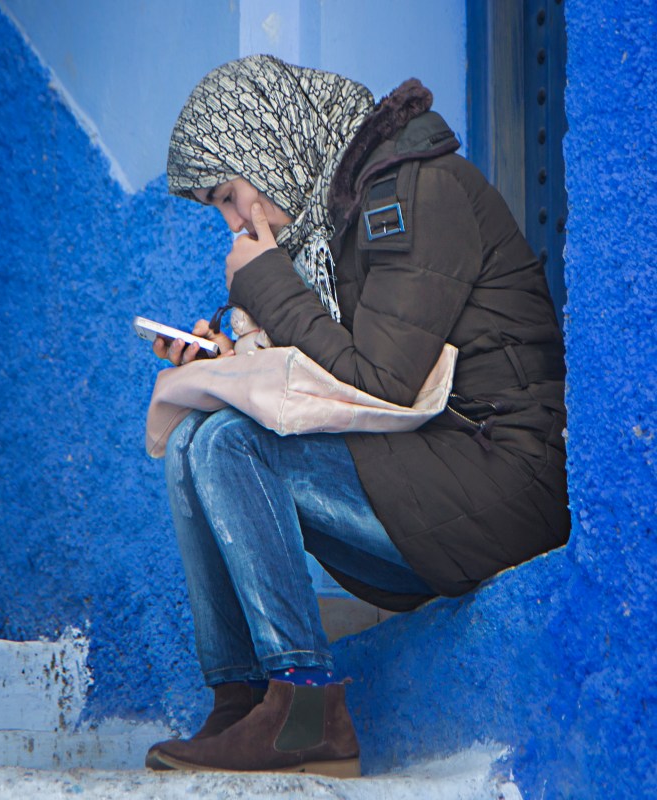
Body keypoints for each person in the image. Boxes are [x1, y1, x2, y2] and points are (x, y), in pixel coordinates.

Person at [145, 55, 569, 775]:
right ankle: (241, 700)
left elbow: (382, 381)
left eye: (227, 195)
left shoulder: (415, 193)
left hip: (497, 481)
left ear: (265, 145)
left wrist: (268, 283)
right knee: (194, 440)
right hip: (433, 467)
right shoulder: (341, 216)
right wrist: (225, 363)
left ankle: (305, 704)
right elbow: (339, 371)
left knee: (228, 448)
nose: (231, 221)